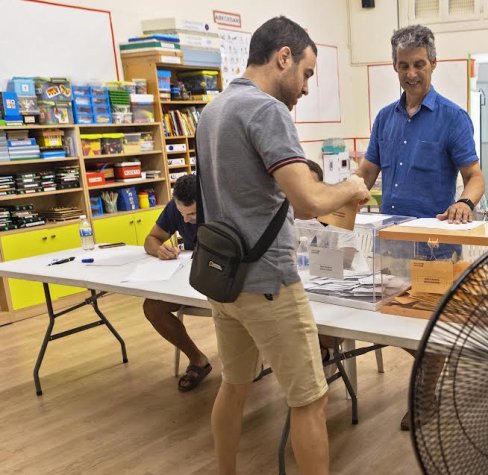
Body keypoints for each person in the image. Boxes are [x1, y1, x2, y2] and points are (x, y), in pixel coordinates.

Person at [195, 16, 370, 475]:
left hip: (224, 280)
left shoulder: (213, 111)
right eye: (306, 73)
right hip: (268, 282)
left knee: (234, 386)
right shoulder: (267, 111)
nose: (306, 88)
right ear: (283, 57)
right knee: (310, 400)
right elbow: (308, 200)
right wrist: (351, 187)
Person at [355, 25, 485, 431]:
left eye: (418, 64)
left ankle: (425, 399)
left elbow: (475, 176)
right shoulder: (384, 119)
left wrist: (464, 203)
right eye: (403, 65)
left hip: (434, 245)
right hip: (389, 242)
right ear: (394, 67)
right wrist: (340, 198)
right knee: (388, 321)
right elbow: (366, 174)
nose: (411, 73)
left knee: (430, 327)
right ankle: (432, 375)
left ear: (433, 63)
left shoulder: (452, 118)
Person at [142, 174, 210, 391]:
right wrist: (158, 250)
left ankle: (247, 364)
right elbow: (151, 239)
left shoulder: (220, 206)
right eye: (182, 214)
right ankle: (197, 359)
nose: (186, 219)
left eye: (193, 214)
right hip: (189, 280)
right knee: (152, 307)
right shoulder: (175, 207)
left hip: (222, 281)